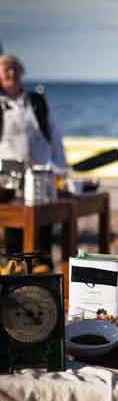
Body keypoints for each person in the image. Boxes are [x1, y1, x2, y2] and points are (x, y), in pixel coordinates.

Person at [0, 54, 66, 262]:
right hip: (9, 177)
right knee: (14, 230)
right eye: (6, 70)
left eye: (15, 68)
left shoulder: (36, 101)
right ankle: (15, 278)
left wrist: (61, 167)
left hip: (41, 171)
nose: (11, 73)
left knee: (44, 227)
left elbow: (54, 134)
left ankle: (43, 278)